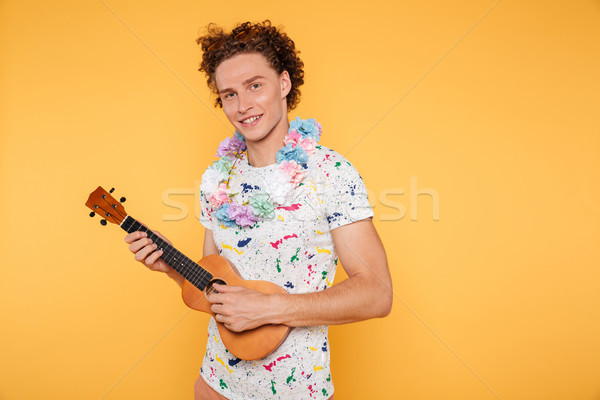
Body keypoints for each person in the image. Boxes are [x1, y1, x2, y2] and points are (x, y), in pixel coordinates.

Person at [125, 20, 392, 400]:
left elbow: (377, 294)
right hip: (215, 384)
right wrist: (170, 265)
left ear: (283, 84)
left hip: (298, 390)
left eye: (255, 85)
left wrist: (270, 308)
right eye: (229, 94)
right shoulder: (216, 178)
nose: (243, 105)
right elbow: (217, 289)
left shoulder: (330, 173)